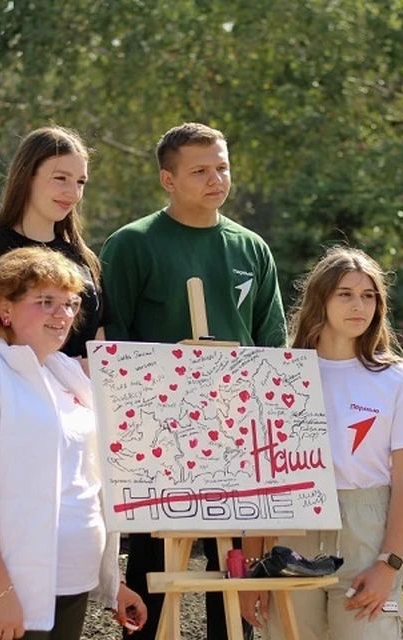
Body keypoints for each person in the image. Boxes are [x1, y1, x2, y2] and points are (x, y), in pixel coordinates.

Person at [99, 122, 286, 640]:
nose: (215, 179)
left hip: (236, 440)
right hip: (160, 444)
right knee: (156, 579)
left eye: (222, 167)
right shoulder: (132, 246)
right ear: (167, 178)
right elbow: (112, 348)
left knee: (234, 582)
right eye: (200, 170)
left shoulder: (251, 248)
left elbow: (271, 347)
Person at [0, 246, 147, 640]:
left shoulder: (66, 373)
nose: (62, 314)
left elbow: (83, 484)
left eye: (70, 303)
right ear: (4, 309)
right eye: (46, 302)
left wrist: (112, 583)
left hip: (70, 585)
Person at [244, 246, 403, 640]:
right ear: (321, 300)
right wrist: (252, 571)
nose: (359, 306)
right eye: (345, 294)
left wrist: (389, 563)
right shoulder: (278, 374)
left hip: (368, 529)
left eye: (369, 296)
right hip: (291, 529)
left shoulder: (400, 381)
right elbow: (262, 477)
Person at [0, 126, 102, 363]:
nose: (73, 193)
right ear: (27, 176)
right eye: (61, 178)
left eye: (80, 182)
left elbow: (97, 351)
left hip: (76, 398)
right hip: (7, 398)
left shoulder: (86, 260)